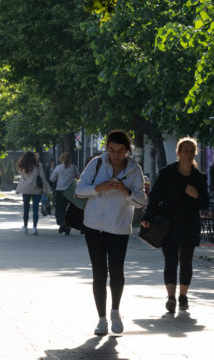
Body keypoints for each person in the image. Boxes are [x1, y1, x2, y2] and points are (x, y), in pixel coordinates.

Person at [75, 130, 147, 337]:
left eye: (120, 151)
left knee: (116, 270)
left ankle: (115, 311)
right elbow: (80, 189)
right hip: (94, 225)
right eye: (112, 150)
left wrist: (126, 192)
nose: (115, 155)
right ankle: (101, 319)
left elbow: (141, 200)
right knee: (99, 271)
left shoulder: (134, 169)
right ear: (106, 148)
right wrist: (99, 188)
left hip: (119, 226)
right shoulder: (97, 163)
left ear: (127, 151)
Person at [141, 137, 209, 313]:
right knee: (170, 261)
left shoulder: (199, 178)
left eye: (191, 150)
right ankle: (171, 297)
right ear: (178, 152)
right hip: (167, 224)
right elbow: (155, 197)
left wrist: (196, 196)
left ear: (195, 153)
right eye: (184, 150)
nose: (188, 153)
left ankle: (183, 296)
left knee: (186, 262)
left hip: (189, 224)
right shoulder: (167, 173)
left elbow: (206, 204)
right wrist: (147, 216)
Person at [14, 151, 51, 235]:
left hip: (25, 190)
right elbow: (42, 177)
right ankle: (34, 228)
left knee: (26, 209)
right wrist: (46, 189)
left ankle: (25, 226)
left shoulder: (23, 166)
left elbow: (20, 175)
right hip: (36, 190)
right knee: (35, 209)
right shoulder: (38, 165)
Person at [50, 152, 79, 235]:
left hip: (60, 191)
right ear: (70, 159)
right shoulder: (74, 168)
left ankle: (61, 223)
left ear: (61, 159)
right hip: (71, 192)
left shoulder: (58, 168)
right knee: (69, 209)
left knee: (60, 209)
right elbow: (79, 178)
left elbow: (52, 179)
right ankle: (68, 226)